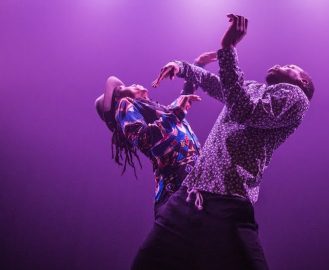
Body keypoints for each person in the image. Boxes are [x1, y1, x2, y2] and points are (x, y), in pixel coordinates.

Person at [132, 14, 314, 270]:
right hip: (189, 196)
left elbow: (244, 109)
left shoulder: (296, 97)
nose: (281, 64)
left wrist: (228, 49)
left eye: (290, 66)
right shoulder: (250, 86)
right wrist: (182, 66)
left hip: (228, 203)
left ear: (302, 80)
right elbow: (215, 84)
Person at [94, 52, 216, 208]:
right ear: (118, 99)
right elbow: (145, 139)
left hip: (192, 185)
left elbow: (183, 99)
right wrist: (177, 111)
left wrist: (198, 65)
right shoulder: (124, 106)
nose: (134, 83)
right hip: (177, 190)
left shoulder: (160, 112)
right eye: (127, 87)